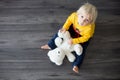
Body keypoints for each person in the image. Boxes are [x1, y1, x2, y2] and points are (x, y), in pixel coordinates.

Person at [41, 3, 98, 73]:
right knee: (59, 34)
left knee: (81, 51)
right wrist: (65, 28)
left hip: (81, 37)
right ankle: (50, 45)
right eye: (82, 17)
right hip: (73, 29)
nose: (82, 21)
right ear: (78, 14)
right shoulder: (74, 16)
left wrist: (74, 41)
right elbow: (69, 21)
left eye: (87, 20)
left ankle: (76, 64)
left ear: (90, 22)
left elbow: (85, 38)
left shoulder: (89, 28)